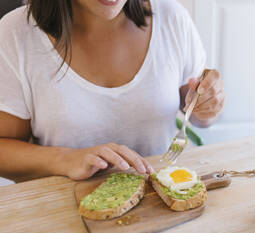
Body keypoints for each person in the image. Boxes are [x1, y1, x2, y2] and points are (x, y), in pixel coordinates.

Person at [0, 0, 225, 182]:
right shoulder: (16, 33)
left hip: (159, 210)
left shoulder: (172, 17)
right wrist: (66, 159)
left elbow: (197, 115)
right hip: (61, 217)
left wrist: (207, 106)